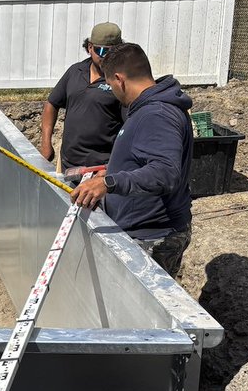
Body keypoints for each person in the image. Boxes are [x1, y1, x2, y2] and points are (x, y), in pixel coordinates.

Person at [70, 43, 194, 279]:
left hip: (152, 237)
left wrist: (109, 183)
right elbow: (149, 158)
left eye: (109, 84)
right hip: (145, 230)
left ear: (119, 79)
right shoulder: (149, 109)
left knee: (142, 314)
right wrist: (116, 168)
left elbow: (165, 173)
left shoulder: (156, 114)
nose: (112, 91)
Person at [40, 22, 126, 170]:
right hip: (68, 164)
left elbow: (131, 126)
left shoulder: (121, 81)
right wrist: (46, 143)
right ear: (90, 47)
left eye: (111, 52)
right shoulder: (75, 71)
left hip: (100, 169)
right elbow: (51, 104)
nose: (105, 57)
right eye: (100, 50)